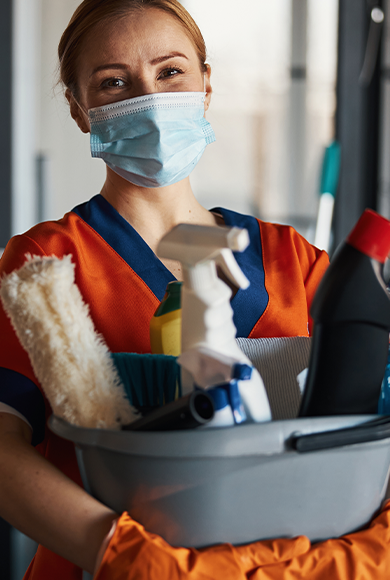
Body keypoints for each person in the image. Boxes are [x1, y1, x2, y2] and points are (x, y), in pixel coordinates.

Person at [1, 1, 389, 579]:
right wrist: (126, 556)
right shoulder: (45, 264)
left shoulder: (295, 261)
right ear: (81, 110)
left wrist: (368, 547)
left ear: (206, 87)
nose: (151, 98)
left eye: (170, 72)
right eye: (114, 82)